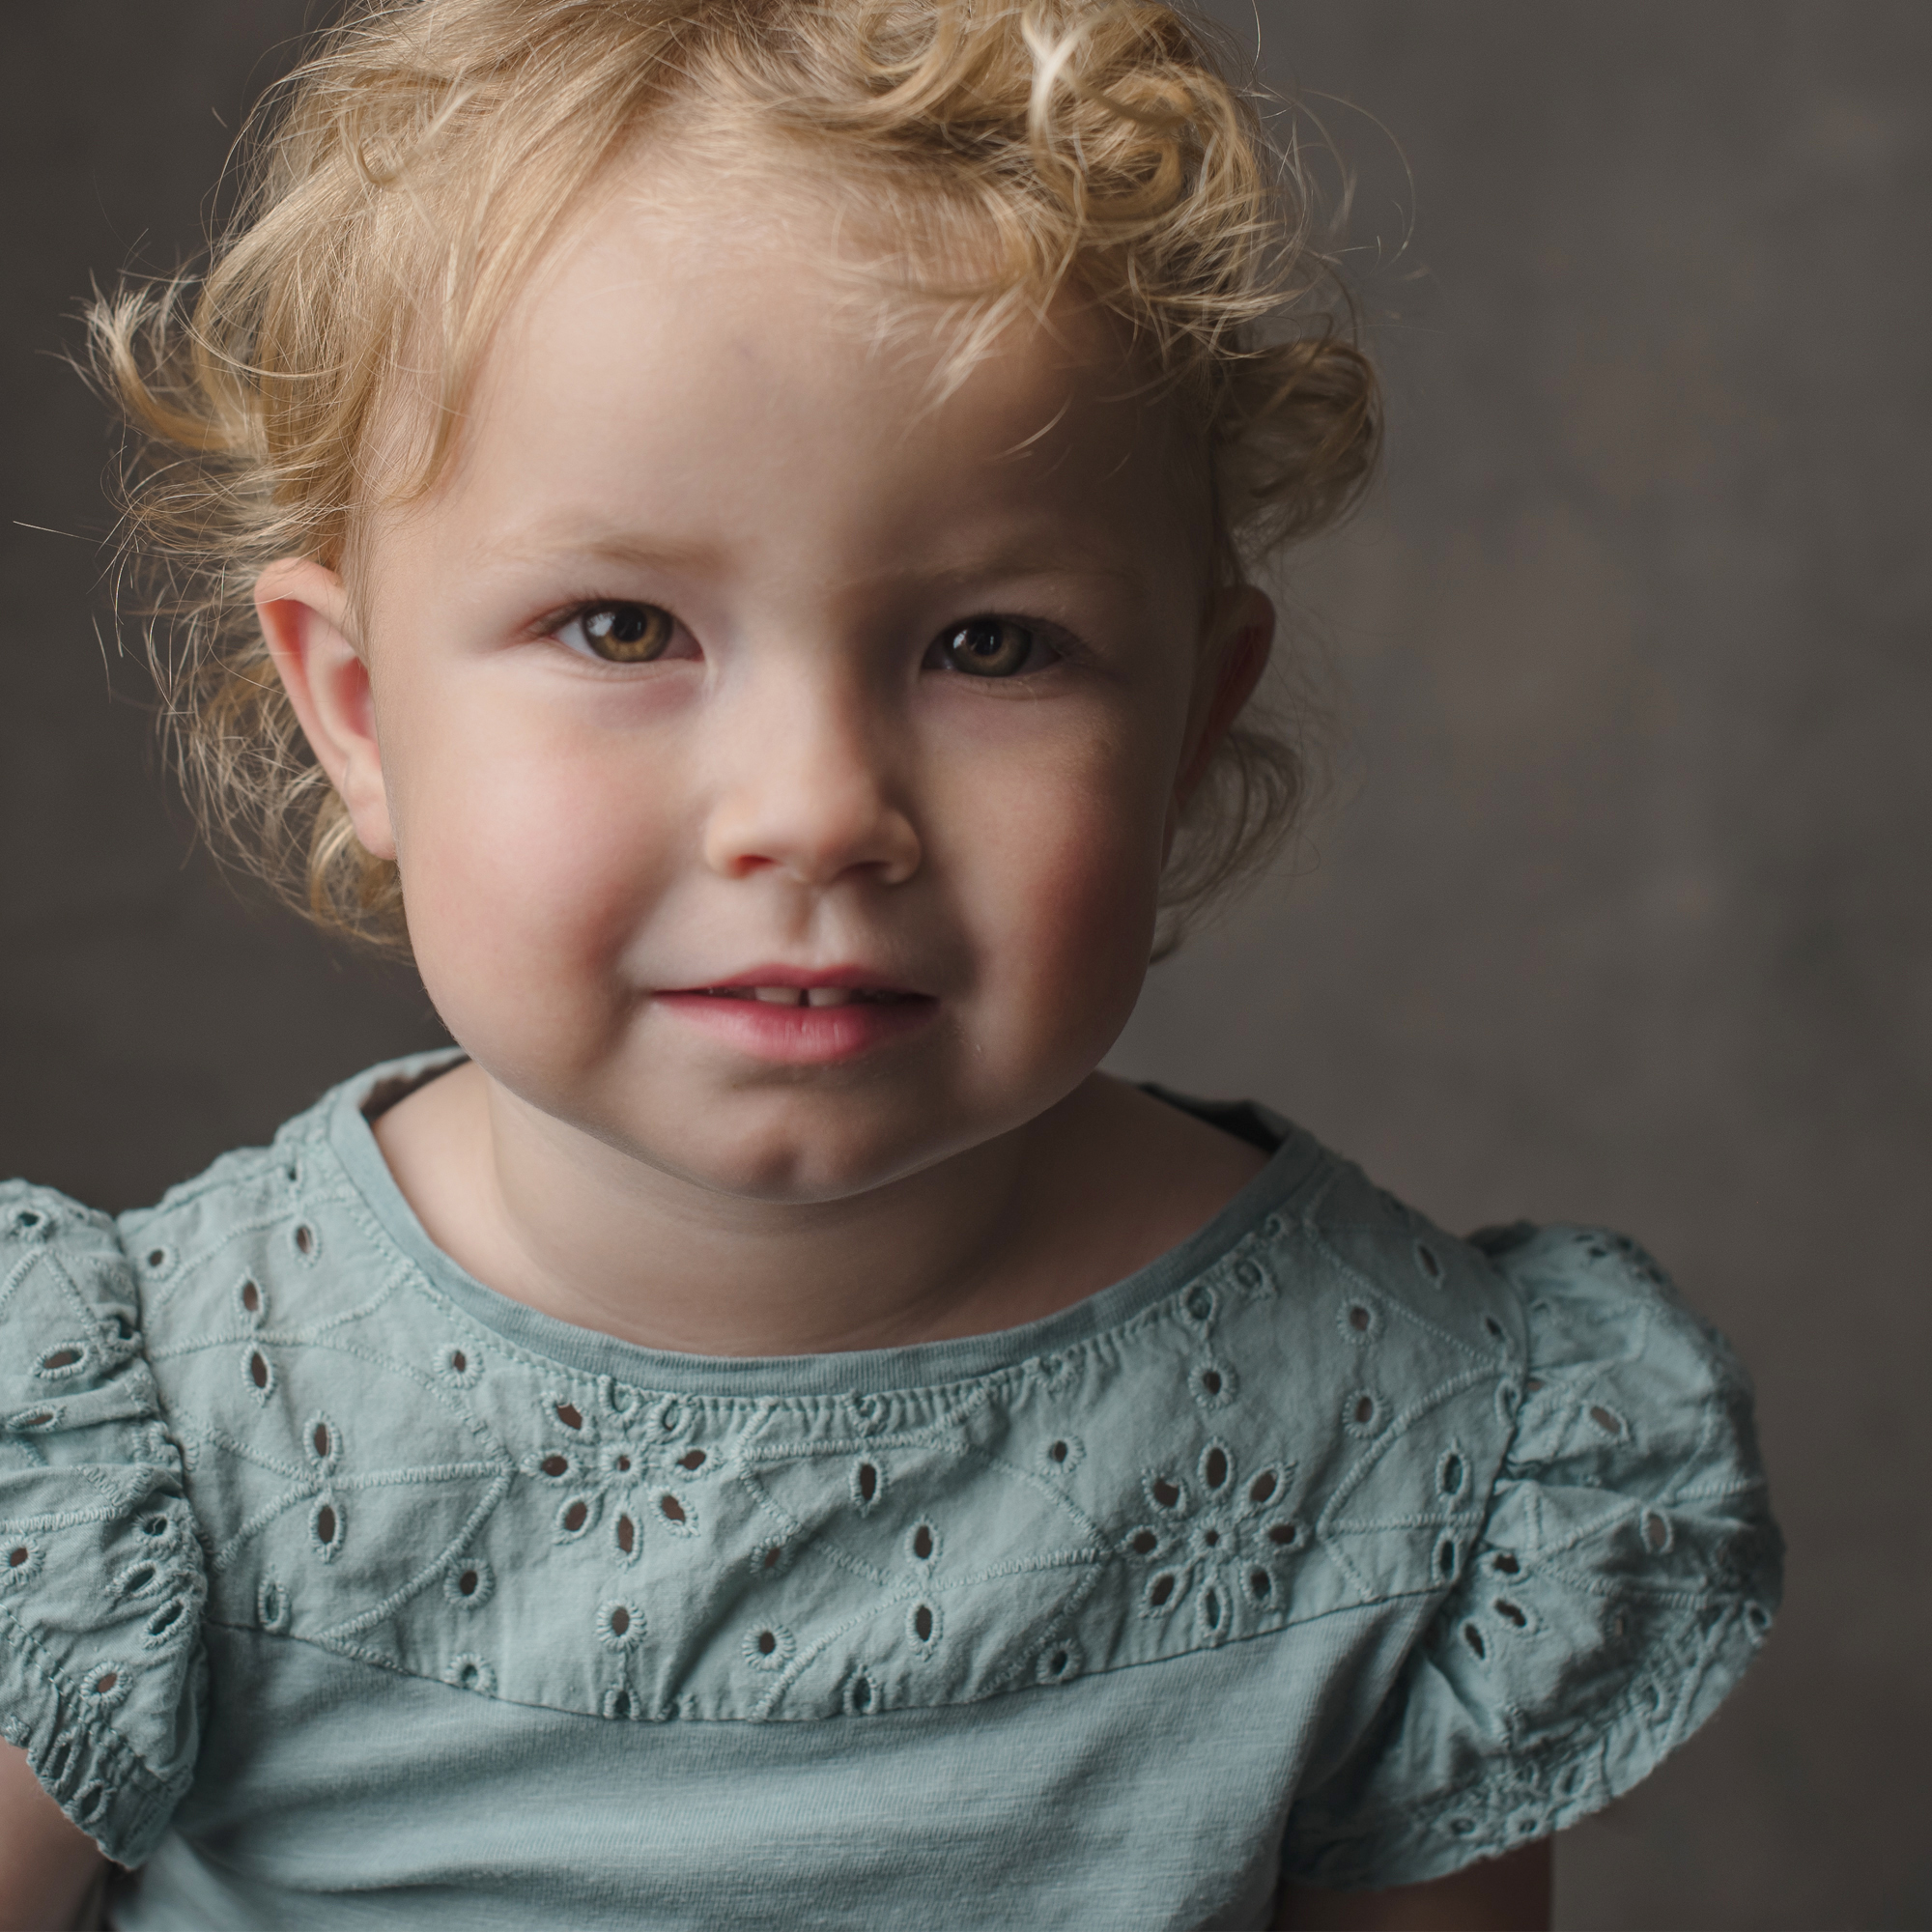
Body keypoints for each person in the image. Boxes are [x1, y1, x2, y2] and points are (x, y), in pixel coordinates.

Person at [0, 0, 1780, 1925]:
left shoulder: (1417, 1440)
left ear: (1187, 723)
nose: (818, 807)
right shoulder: (155, 1433)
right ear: (356, 712)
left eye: (991, 646)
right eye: (619, 627)